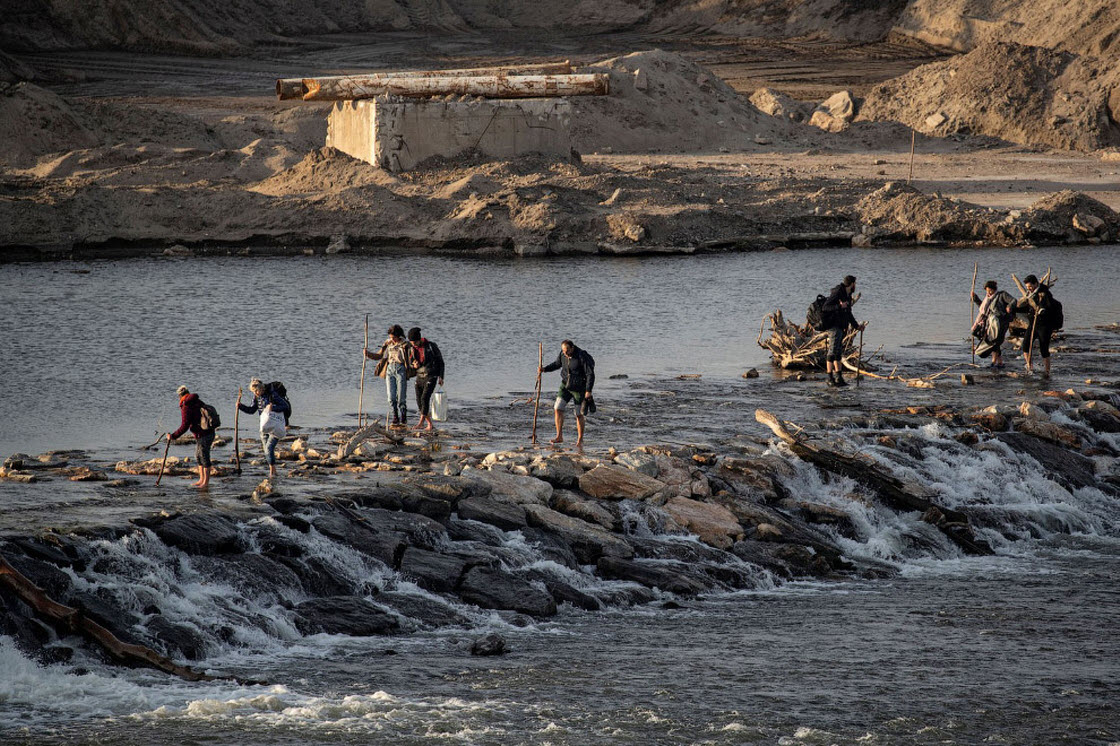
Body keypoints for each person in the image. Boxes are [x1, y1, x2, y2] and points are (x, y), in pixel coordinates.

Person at [539, 340, 595, 447]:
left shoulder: (582, 356)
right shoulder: (562, 354)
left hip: (579, 388)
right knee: (557, 408)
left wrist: (588, 391)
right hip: (565, 385)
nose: (565, 353)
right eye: (563, 351)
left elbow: (590, 374)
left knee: (579, 414)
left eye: (567, 351)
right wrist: (544, 369)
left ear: (572, 347)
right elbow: (557, 364)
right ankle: (559, 436)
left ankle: (580, 440)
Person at [237, 378, 291, 478]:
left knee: (269, 448)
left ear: (261, 388)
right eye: (254, 392)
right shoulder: (256, 397)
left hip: (275, 426)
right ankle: (274, 471)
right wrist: (240, 406)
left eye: (257, 391)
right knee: (266, 450)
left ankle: (272, 472)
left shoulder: (272, 395)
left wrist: (272, 407)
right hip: (264, 426)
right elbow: (252, 410)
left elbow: (285, 406)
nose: (256, 393)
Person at [365, 325, 412, 428]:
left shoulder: (405, 345)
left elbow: (412, 358)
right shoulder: (388, 344)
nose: (392, 339)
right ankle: (395, 416)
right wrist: (367, 354)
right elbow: (379, 356)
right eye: (390, 337)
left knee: (401, 397)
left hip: (401, 370)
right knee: (391, 396)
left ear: (398, 336)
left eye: (393, 337)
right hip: (389, 370)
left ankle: (403, 416)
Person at [168, 385, 214, 489]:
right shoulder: (197, 401)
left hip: (204, 434)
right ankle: (201, 480)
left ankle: (205, 483)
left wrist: (173, 436)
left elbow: (185, 426)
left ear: (180, 396)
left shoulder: (186, 406)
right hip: (206, 433)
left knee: (204, 457)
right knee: (198, 456)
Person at [1013, 274, 1058, 378]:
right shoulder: (1030, 294)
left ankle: (1047, 371)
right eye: (1027, 287)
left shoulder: (1045, 293)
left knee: (1044, 348)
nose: (1028, 288)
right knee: (1025, 346)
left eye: (1030, 286)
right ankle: (1030, 367)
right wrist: (1014, 310)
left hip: (1044, 325)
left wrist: (1042, 311)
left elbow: (1049, 307)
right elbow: (1028, 309)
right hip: (1032, 324)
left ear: (1036, 283)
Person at [821, 275, 863, 387]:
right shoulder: (838, 292)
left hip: (841, 326)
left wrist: (857, 326)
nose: (856, 286)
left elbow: (848, 313)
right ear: (852, 284)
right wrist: (839, 307)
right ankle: (829, 378)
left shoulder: (848, 295)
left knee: (838, 352)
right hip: (833, 325)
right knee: (832, 351)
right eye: (855, 284)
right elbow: (825, 307)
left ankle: (839, 377)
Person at [406, 327, 444, 432]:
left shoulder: (431, 346)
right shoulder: (411, 348)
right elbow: (410, 363)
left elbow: (441, 361)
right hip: (419, 376)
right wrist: (413, 365)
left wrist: (441, 376)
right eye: (411, 342)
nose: (413, 344)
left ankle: (423, 423)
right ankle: (427, 423)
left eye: (414, 342)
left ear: (419, 339)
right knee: (419, 401)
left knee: (424, 398)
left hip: (431, 375)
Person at [971, 280, 1015, 368]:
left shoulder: (1002, 295)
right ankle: (999, 362)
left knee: (995, 342)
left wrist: (1009, 306)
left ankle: (994, 362)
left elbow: (1013, 300)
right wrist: (975, 298)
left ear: (994, 289)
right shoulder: (988, 298)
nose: (989, 292)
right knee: (990, 340)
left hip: (1001, 324)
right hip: (990, 323)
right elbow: (983, 309)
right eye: (987, 291)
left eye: (990, 290)